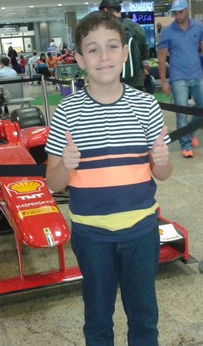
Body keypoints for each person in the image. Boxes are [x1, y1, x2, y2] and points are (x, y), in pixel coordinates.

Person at [45, 11, 172, 346]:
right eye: (93, 49)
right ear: (80, 60)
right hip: (91, 235)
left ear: (126, 53)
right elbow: (53, 183)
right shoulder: (66, 112)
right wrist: (64, 165)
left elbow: (162, 173)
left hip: (142, 230)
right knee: (98, 317)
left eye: (112, 47)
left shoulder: (146, 106)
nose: (104, 57)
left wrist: (161, 161)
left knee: (145, 316)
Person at [158, 0, 203, 158]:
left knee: (201, 107)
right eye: (174, 13)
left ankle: (190, 131)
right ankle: (186, 144)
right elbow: (162, 57)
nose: (176, 16)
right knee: (181, 112)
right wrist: (164, 80)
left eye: (179, 12)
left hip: (197, 74)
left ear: (186, 10)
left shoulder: (198, 27)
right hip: (178, 77)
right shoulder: (167, 31)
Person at [99, 0, 150, 90]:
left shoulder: (106, 29)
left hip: (113, 79)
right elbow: (145, 53)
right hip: (136, 79)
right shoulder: (135, 27)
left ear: (105, 11)